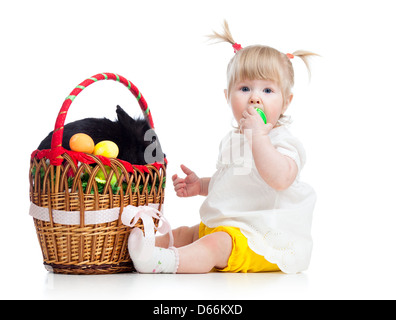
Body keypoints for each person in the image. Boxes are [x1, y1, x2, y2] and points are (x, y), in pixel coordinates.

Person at [128, 21, 317, 274]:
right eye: (245, 88)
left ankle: (162, 262)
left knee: (214, 244)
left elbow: (281, 179)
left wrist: (259, 138)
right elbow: (233, 181)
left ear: (286, 102)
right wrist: (202, 186)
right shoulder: (232, 139)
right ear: (227, 96)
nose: (255, 97)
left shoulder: (282, 141)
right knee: (188, 232)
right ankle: (139, 249)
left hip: (260, 237)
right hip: (226, 225)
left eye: (268, 90)